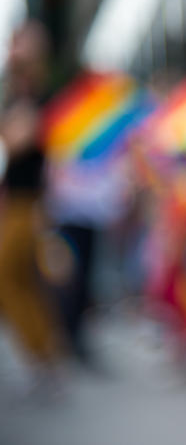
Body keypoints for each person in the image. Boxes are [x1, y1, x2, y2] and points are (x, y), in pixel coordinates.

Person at [0, 21, 62, 383]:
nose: (10, 49)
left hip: (30, 202)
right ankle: (44, 357)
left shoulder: (37, 93)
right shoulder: (16, 92)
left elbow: (17, 140)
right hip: (17, 201)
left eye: (16, 43)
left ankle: (44, 356)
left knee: (8, 278)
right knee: (20, 280)